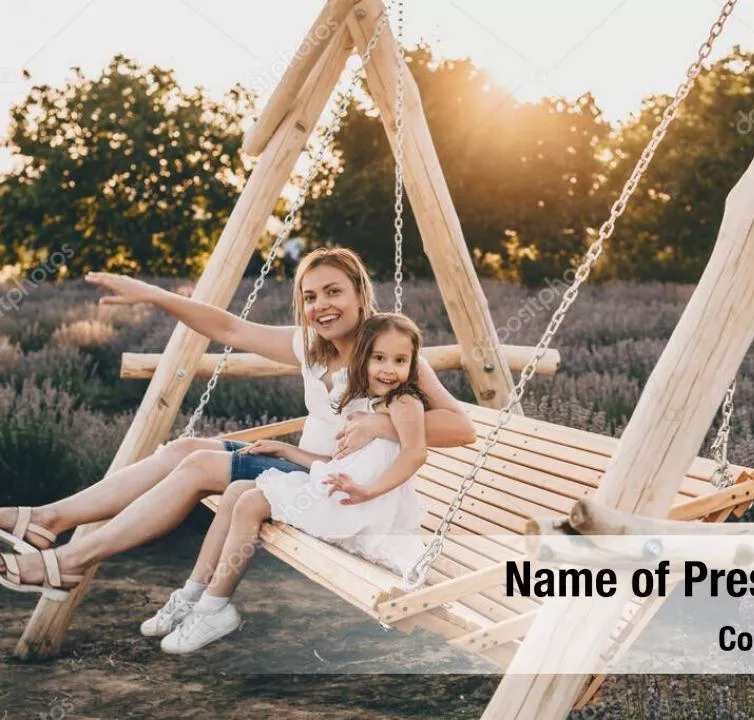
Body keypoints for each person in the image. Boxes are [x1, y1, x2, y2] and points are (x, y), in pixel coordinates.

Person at [0, 248, 475, 604]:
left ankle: (70, 560)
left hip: (326, 485)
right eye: (310, 296)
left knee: (200, 466)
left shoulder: (388, 355)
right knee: (185, 449)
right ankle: (48, 520)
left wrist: (377, 425)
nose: (321, 305)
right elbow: (229, 329)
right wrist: (155, 295)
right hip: (302, 467)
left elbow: (461, 428)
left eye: (334, 292)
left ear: (359, 294)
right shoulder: (310, 346)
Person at [156, 312, 429, 654]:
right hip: (344, 495)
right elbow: (341, 464)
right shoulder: (368, 404)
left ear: (412, 364)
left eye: (400, 360)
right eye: (379, 358)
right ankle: (195, 594)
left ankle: (214, 607)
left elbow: (415, 454)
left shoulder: (404, 402)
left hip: (362, 509)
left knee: (251, 501)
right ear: (363, 359)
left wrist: (368, 491)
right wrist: (286, 450)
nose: (389, 369)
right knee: (239, 490)